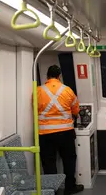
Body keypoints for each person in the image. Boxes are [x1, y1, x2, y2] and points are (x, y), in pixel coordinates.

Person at [37, 65, 84, 194]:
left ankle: (52, 190)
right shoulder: (67, 90)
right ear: (59, 76)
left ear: (47, 76)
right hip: (65, 132)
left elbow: (34, 108)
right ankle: (70, 187)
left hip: (45, 133)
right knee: (69, 159)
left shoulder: (38, 91)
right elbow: (76, 109)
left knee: (49, 162)